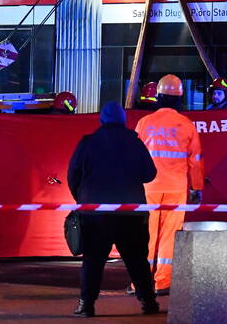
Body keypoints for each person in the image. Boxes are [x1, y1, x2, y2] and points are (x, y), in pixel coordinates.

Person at [67, 102, 159, 317]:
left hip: (96, 213)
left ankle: (86, 305)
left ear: (102, 120)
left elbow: (73, 175)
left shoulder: (88, 143)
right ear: (123, 120)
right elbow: (149, 174)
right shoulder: (134, 143)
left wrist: (83, 200)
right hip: (131, 213)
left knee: (92, 260)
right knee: (137, 260)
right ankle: (148, 303)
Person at [134, 74, 204, 295]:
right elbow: (196, 160)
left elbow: (135, 156)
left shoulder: (144, 123)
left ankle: (141, 282)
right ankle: (163, 282)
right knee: (170, 236)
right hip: (176, 187)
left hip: (149, 188)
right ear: (179, 99)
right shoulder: (186, 125)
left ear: (159, 97)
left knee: (146, 235)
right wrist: (197, 188)